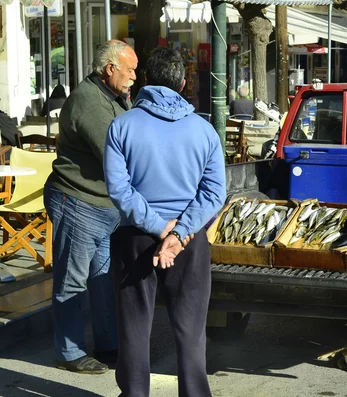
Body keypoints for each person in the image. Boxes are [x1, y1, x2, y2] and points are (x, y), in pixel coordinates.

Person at [104, 47, 226, 397]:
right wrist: (180, 232)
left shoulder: (122, 126)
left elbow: (119, 190)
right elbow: (215, 192)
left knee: (134, 329)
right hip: (189, 243)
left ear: (145, 81)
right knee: (191, 332)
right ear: (184, 83)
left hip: (135, 238)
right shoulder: (203, 131)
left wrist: (159, 228)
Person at [44, 39, 137, 374]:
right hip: (78, 201)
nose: (134, 78)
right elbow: (117, 154)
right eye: (130, 71)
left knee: (101, 278)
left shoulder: (114, 96)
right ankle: (69, 352)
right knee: (72, 281)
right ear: (110, 69)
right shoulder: (89, 101)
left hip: (102, 205)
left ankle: (108, 344)